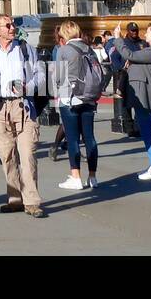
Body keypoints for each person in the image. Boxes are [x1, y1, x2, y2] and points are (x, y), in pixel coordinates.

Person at [0, 14, 46, 217]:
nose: (12, 27)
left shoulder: (25, 49)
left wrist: (27, 87)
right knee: (7, 156)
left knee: (28, 154)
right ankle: (15, 199)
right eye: (7, 25)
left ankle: (32, 202)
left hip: (23, 107)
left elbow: (40, 75)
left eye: (12, 24)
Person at [112, 22, 151, 181]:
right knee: (146, 131)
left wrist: (118, 38)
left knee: (148, 133)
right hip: (141, 94)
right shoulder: (150, 51)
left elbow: (130, 55)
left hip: (145, 95)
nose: (145, 35)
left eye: (149, 32)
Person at [53, 21, 99, 190]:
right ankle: (93, 176)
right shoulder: (89, 48)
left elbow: (57, 77)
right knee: (90, 138)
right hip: (89, 97)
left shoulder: (63, 50)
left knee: (73, 139)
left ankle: (76, 177)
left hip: (70, 97)